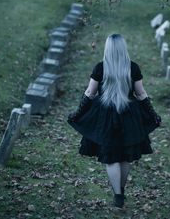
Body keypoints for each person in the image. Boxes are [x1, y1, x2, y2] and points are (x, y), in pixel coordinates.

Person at [67, 34, 161, 209]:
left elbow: (90, 92)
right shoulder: (132, 68)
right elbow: (141, 94)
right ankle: (121, 192)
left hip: (105, 117)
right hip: (129, 116)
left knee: (111, 157)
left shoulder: (100, 68)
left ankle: (118, 195)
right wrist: (152, 113)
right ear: (123, 49)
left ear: (107, 49)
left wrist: (78, 113)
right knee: (125, 156)